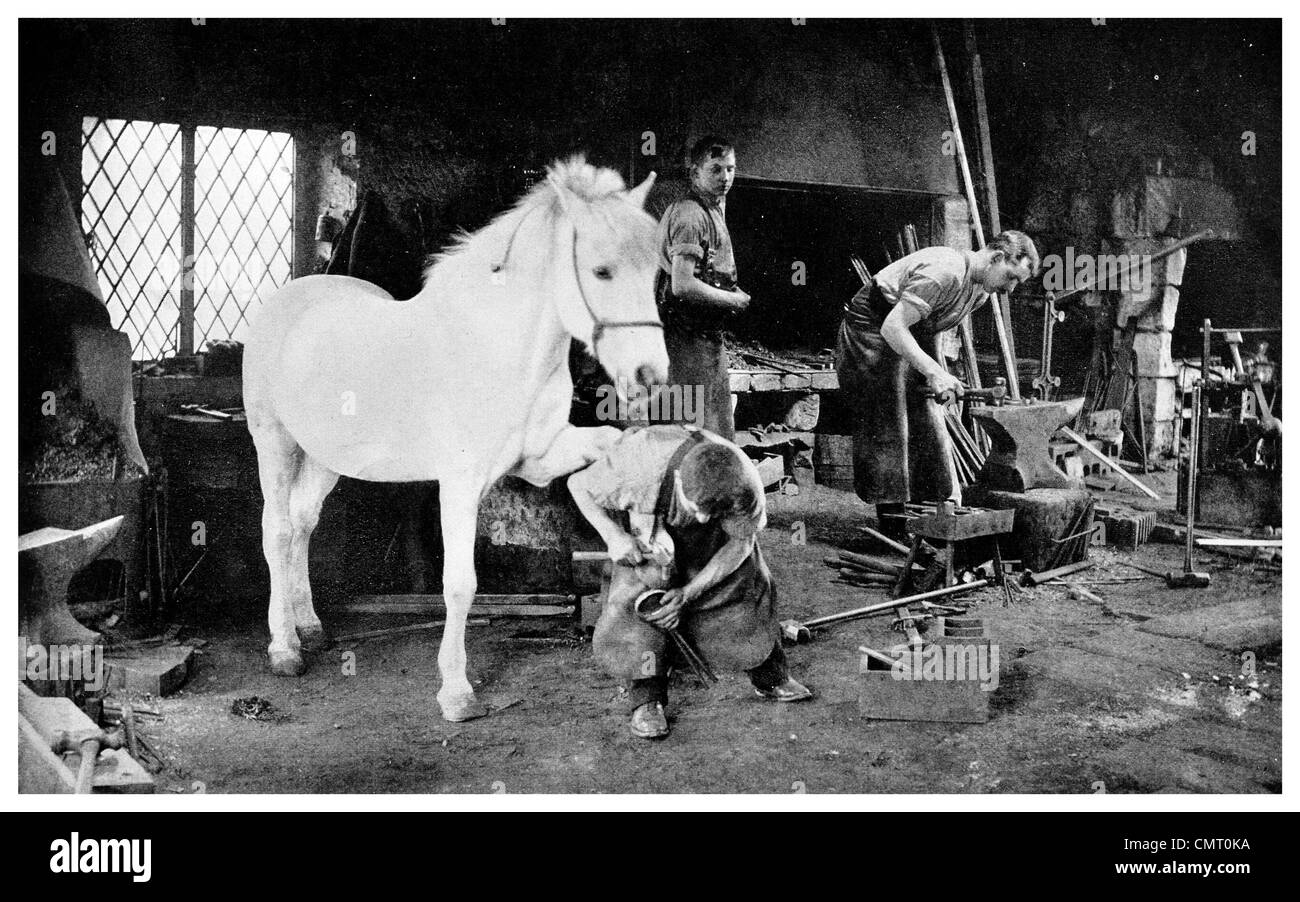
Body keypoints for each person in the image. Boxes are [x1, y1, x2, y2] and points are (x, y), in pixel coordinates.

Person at [568, 424, 812, 739]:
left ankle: (771, 675)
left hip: (715, 541)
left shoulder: (744, 483)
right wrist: (614, 536)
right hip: (647, 519)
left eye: (711, 512)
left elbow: (740, 544)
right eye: (696, 509)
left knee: (746, 591)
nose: (700, 518)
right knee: (639, 610)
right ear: (682, 482)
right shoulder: (638, 463)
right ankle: (647, 698)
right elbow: (577, 485)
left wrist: (687, 593)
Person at [835, 231, 1040, 519]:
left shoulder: (980, 290)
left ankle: (936, 510)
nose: (1011, 289)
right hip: (871, 327)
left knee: (930, 412)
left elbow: (934, 325)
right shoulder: (946, 271)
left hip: (907, 329)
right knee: (889, 417)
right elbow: (893, 328)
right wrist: (932, 370)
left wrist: (938, 373)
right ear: (996, 257)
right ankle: (893, 518)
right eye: (1011, 277)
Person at [653, 136, 749, 440]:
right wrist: (734, 300)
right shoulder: (690, 215)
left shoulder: (713, 207)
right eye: (716, 170)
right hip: (685, 343)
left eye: (731, 169)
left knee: (717, 436)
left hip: (707, 342)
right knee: (690, 437)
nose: (725, 178)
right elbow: (682, 285)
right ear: (695, 172)